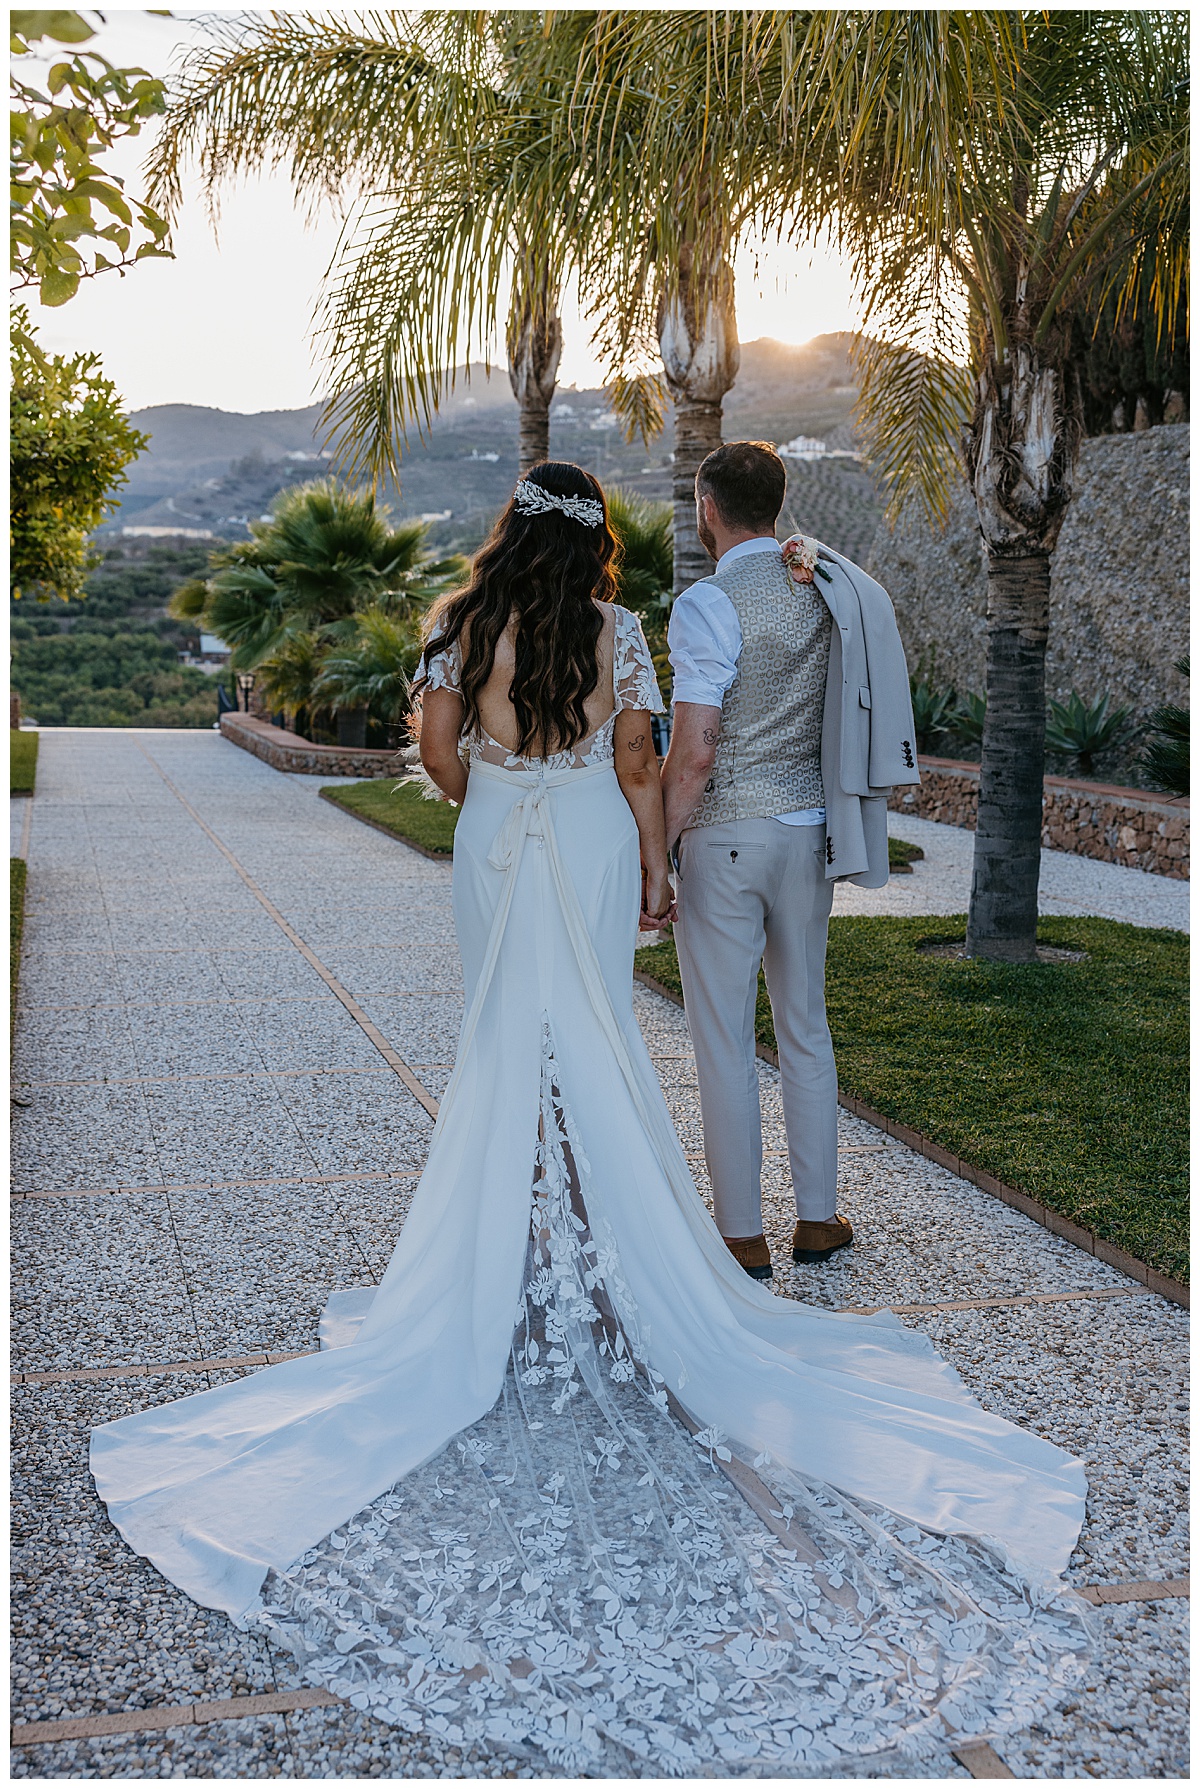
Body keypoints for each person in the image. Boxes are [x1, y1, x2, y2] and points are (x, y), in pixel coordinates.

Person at [90, 463, 1090, 1776]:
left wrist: (491, 797)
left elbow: (442, 756)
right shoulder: (618, 636)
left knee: (503, 1051)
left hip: (503, 837)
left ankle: (508, 1265)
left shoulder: (460, 626)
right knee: (599, 1053)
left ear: (509, 534)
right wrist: (654, 865)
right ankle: (612, 1271)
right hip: (593, 840)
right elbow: (635, 760)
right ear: (596, 544)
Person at [662, 440, 919, 1281]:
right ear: (778, 504)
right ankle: (817, 1219)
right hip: (810, 835)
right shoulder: (827, 589)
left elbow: (695, 749)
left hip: (725, 839)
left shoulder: (707, 603)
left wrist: (660, 844)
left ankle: (741, 1234)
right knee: (805, 1027)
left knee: (725, 1040)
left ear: (707, 508)